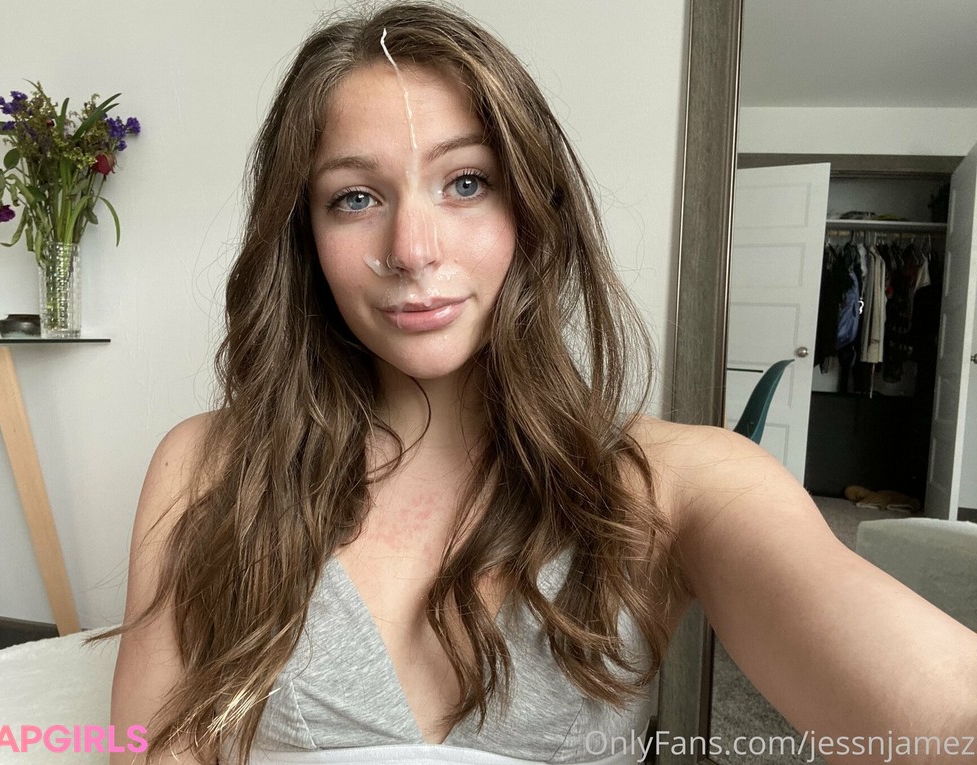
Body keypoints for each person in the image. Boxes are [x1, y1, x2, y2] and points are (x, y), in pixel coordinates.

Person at [107, 3, 977, 764]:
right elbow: (150, 746)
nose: (412, 249)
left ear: (532, 208)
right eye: (355, 198)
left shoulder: (676, 483)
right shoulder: (206, 464)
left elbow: (941, 710)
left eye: (466, 183)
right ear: (305, 238)